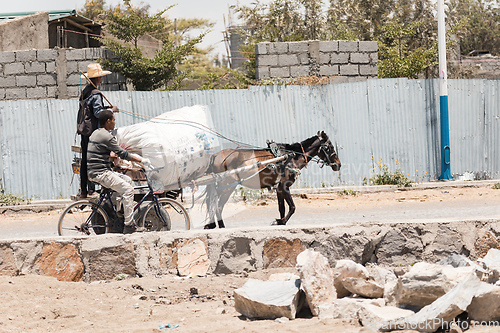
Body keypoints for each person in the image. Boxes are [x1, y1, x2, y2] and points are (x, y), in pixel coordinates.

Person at [87, 110, 152, 232]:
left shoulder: (96, 133)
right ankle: (129, 225)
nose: (114, 123)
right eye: (113, 120)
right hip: (101, 173)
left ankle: (120, 211)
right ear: (108, 121)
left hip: (97, 171)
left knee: (128, 180)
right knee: (128, 190)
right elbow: (122, 153)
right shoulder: (107, 136)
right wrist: (141, 160)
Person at [78, 63, 118, 199]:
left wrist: (106, 107)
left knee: (85, 159)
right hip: (93, 133)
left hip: (84, 130)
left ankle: (83, 190)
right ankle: (91, 190)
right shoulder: (95, 94)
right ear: (98, 79)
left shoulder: (86, 92)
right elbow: (98, 113)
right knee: (95, 159)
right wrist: (111, 110)